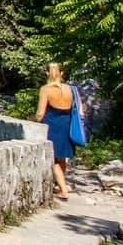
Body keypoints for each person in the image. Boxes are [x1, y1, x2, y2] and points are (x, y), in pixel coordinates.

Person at [35, 62, 77, 200]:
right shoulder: (71, 89)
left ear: (47, 73)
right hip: (67, 125)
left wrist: (34, 120)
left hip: (53, 126)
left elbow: (40, 113)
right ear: (62, 73)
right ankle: (60, 185)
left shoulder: (45, 89)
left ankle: (64, 190)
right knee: (62, 157)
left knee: (53, 160)